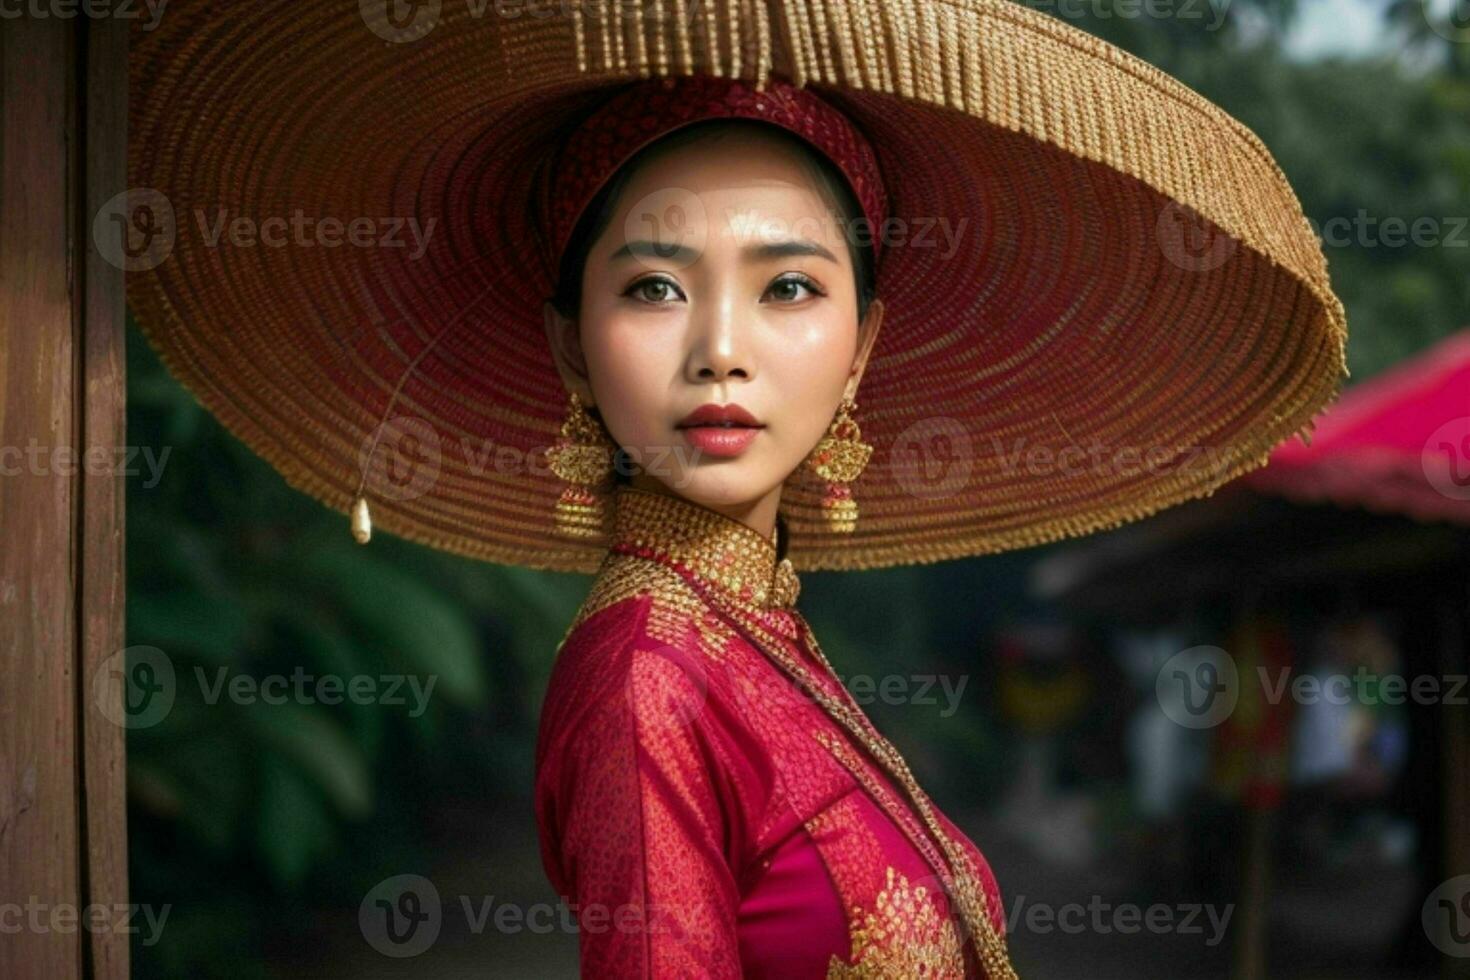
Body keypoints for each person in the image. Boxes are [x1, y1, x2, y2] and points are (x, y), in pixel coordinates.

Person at [124, 2, 1350, 975]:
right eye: (654, 286)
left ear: (864, 345)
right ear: (570, 346)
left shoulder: (760, 633)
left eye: (789, 287)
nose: (720, 345)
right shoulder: (646, 670)